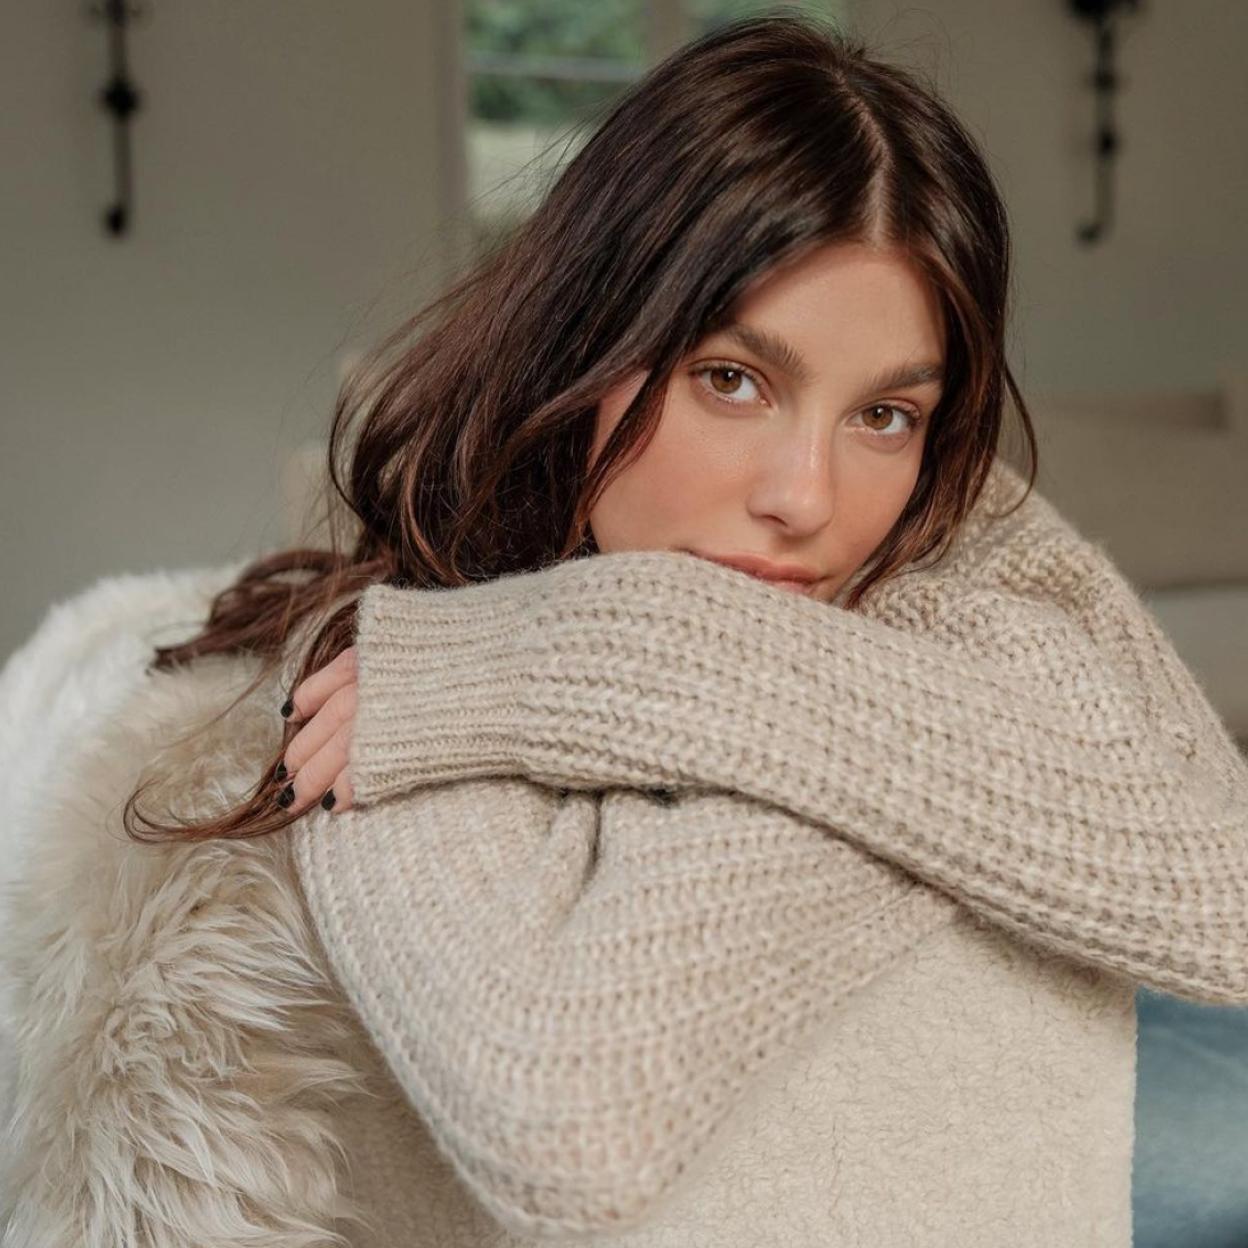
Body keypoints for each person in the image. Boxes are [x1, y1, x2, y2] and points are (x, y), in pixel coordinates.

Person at [2, 13, 1246, 1248]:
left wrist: (564, 655)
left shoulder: (490, 671)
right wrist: (905, 769)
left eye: (885, 414)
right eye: (731, 380)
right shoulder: (390, 672)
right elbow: (564, 1131)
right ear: (592, 343)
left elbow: (1224, 890)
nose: (806, 499)